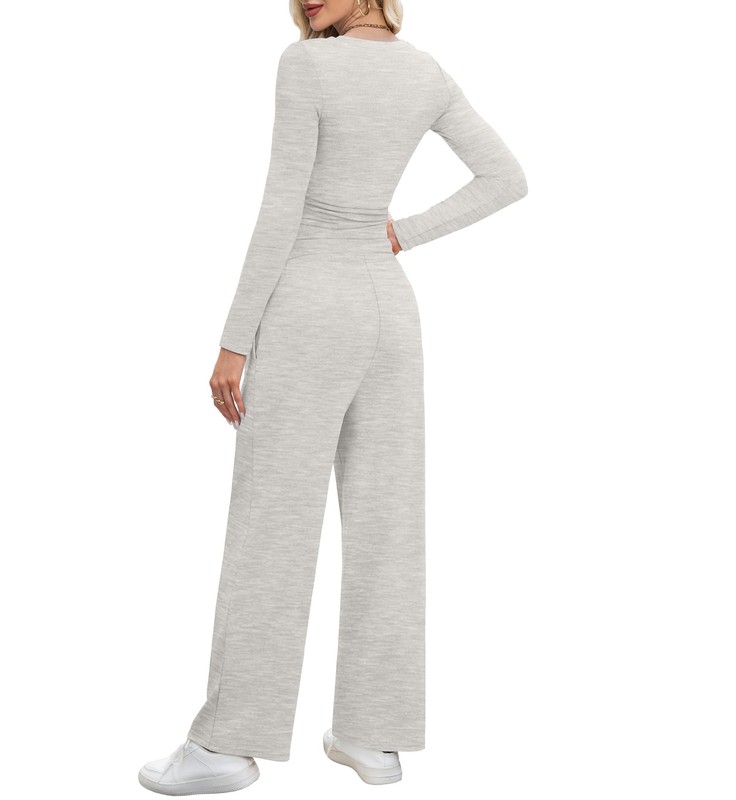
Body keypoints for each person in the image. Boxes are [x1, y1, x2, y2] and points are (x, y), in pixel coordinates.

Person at [138, 0, 527, 794]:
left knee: (272, 523)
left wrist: (235, 338)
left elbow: (282, 202)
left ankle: (227, 747)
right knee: (389, 523)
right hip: (390, 312)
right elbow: (505, 178)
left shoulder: (307, 64)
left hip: (310, 304)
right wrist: (398, 234)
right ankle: (372, 737)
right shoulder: (425, 73)